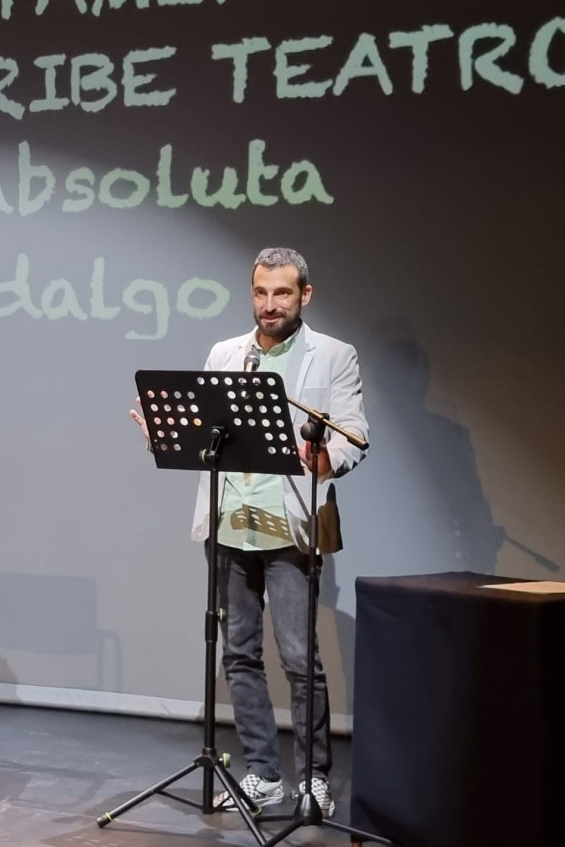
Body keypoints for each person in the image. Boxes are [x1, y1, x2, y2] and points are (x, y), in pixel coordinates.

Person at [130, 248, 368, 817]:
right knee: (239, 654)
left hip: (290, 527)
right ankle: (261, 773)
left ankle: (312, 779)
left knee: (297, 659)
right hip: (229, 523)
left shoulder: (333, 355)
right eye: (261, 293)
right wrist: (166, 437)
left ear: (304, 295)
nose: (269, 305)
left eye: (281, 293)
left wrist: (325, 458)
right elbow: (208, 433)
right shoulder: (226, 352)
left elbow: (353, 432)